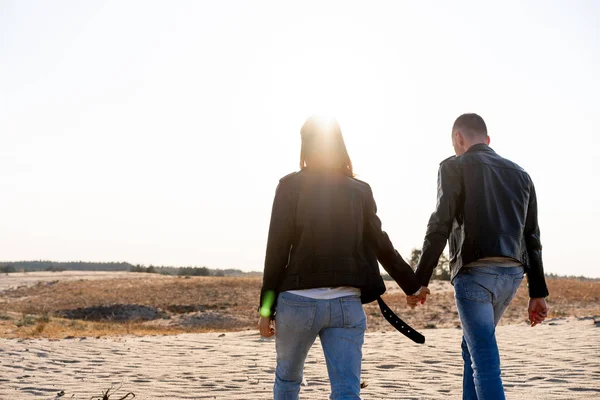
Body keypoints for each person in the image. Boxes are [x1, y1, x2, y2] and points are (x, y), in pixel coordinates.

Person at [258, 116, 428, 400]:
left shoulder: (289, 186)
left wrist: (265, 310)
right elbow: (381, 244)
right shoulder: (359, 191)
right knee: (347, 390)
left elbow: (275, 251)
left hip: (297, 305)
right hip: (346, 306)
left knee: (287, 381)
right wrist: (412, 285)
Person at [408, 113, 550, 400]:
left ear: (458, 139)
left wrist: (420, 279)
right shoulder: (521, 174)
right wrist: (538, 293)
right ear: (487, 140)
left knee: (484, 359)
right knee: (472, 347)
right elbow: (532, 237)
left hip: (475, 275)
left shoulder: (453, 166)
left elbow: (440, 224)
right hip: (511, 275)